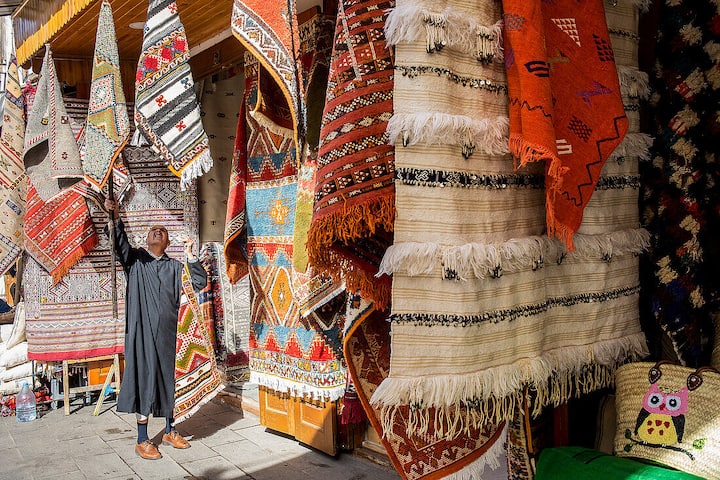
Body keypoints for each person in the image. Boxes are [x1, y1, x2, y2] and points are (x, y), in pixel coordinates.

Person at [104, 197, 207, 460]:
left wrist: (190, 255)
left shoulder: (175, 267)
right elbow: (118, 243)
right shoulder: (135, 261)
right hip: (142, 336)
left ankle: (171, 430)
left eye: (162, 231)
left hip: (170, 336)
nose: (157, 232)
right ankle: (142, 439)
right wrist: (115, 215)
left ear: (168, 243)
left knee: (170, 381)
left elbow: (198, 282)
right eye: (153, 230)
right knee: (145, 381)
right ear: (147, 239)